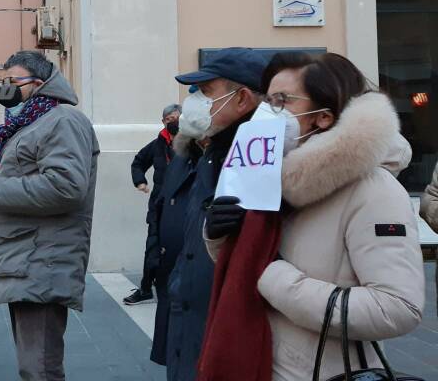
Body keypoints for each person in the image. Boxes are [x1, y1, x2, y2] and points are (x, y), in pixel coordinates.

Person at [200, 52, 425, 380]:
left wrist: (271, 275)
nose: (267, 112)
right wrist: (220, 237)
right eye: (268, 100)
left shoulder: (374, 191)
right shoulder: (270, 174)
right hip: (260, 364)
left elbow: (396, 308)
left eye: (282, 100)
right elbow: (246, 264)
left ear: (324, 116)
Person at [0, 51, 99, 381]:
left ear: (39, 85)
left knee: (39, 368)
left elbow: (67, 187)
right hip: (25, 259)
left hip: (43, 260)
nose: (6, 89)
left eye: (13, 82)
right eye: (3, 82)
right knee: (33, 367)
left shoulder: (64, 121)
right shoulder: (27, 124)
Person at [162, 47, 267, 381]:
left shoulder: (257, 159)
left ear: (242, 99)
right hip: (190, 320)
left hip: (224, 326)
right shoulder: (203, 152)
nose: (193, 102)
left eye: (206, 92)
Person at [148, 142, 201, 367]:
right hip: (169, 267)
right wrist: (153, 252)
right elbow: (158, 207)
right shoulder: (180, 158)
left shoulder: (222, 159)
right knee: (173, 353)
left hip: (197, 276)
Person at [124, 103, 181, 306]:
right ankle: (146, 288)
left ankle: (176, 288)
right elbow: (138, 161)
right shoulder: (157, 144)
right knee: (152, 247)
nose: (174, 123)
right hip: (158, 204)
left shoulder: (192, 144)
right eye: (169, 120)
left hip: (181, 205)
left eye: (177, 119)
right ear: (164, 122)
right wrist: (140, 181)